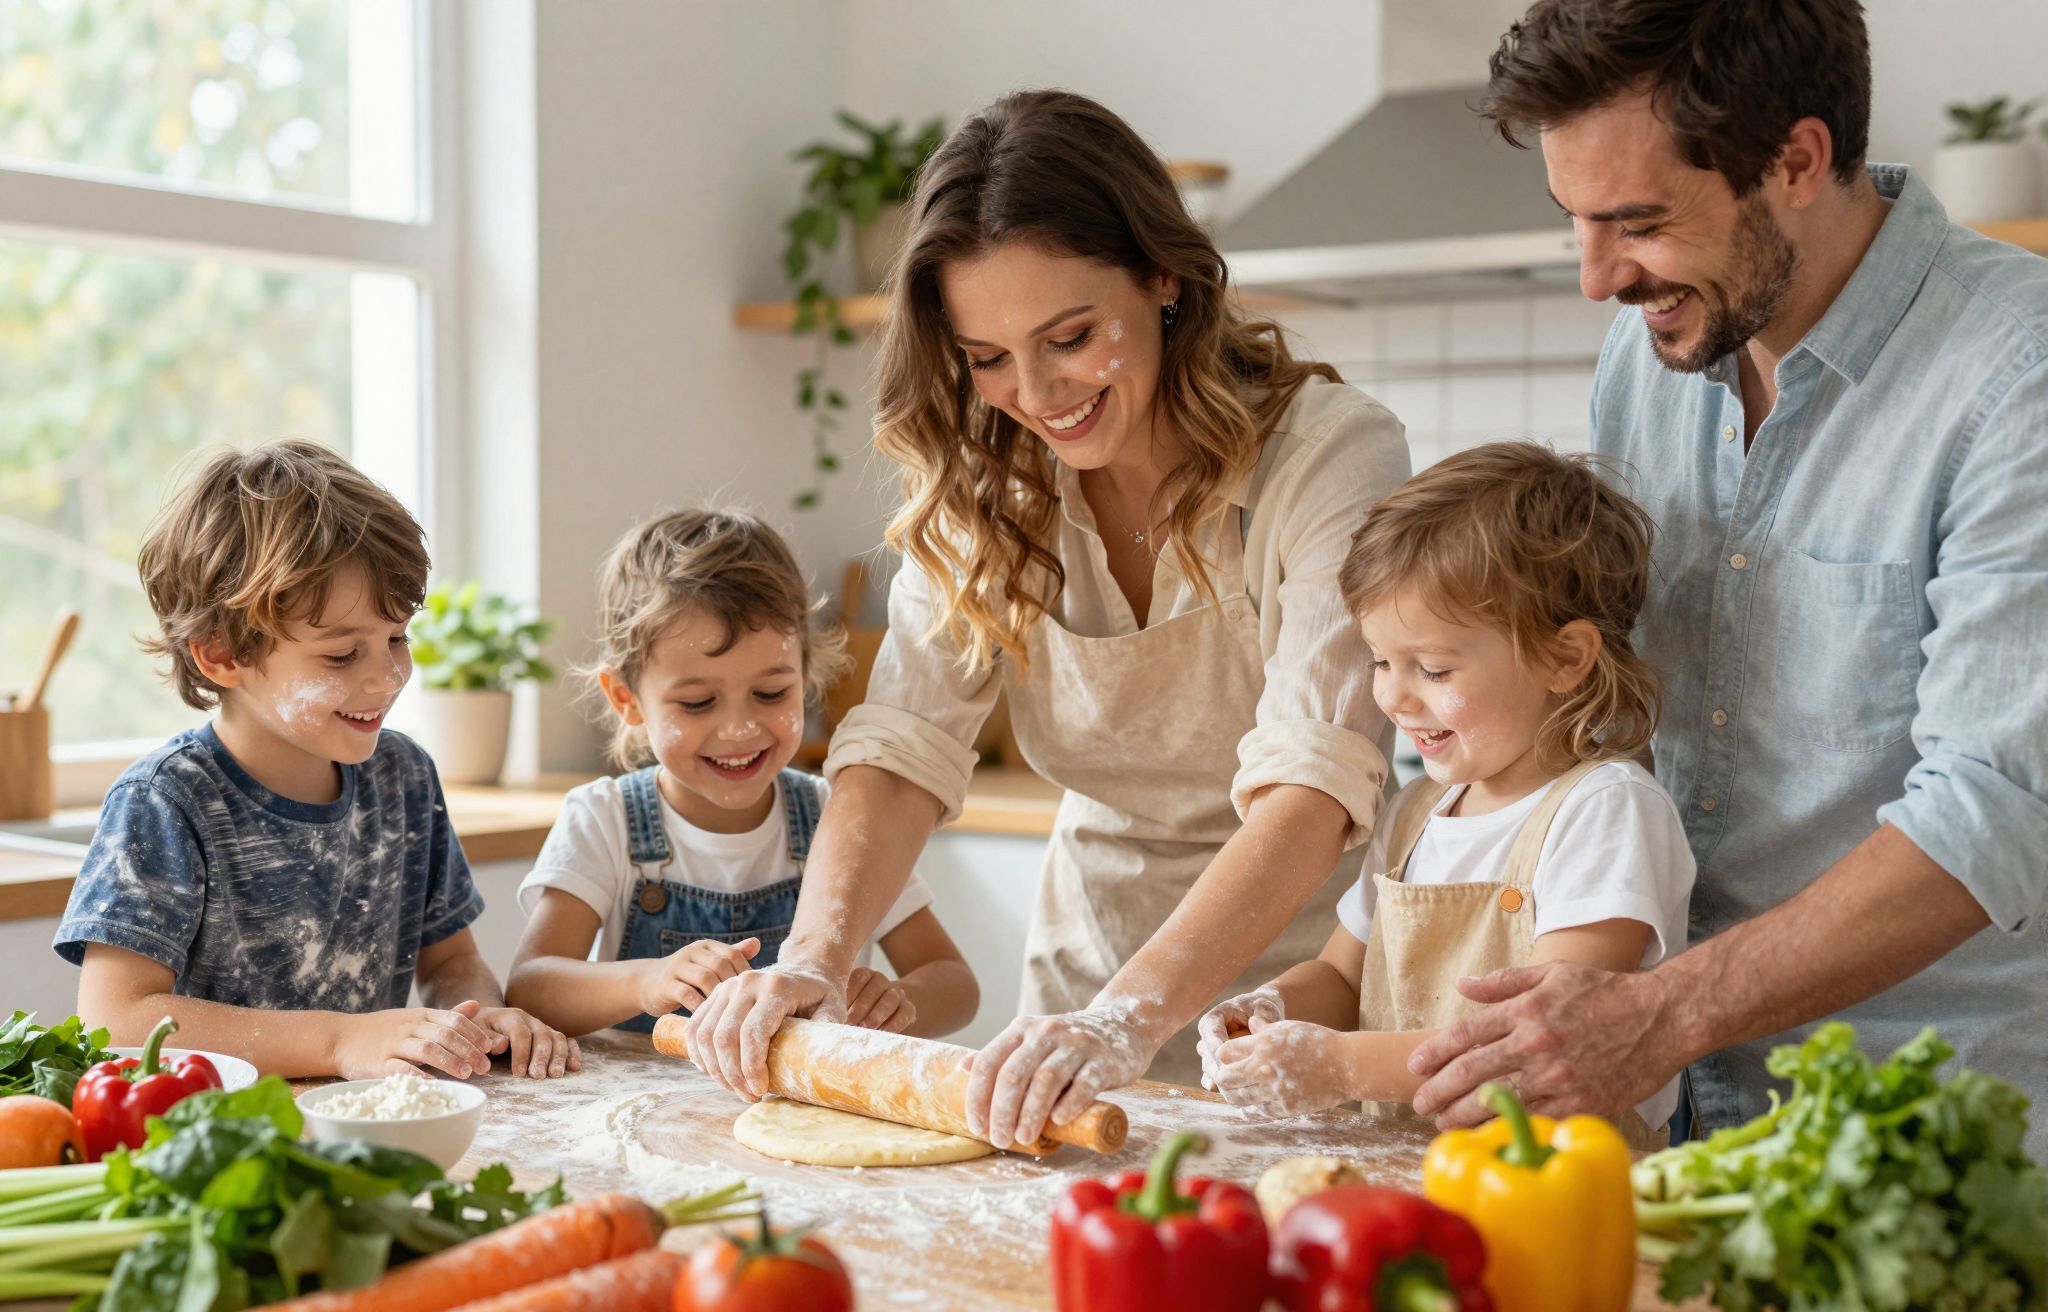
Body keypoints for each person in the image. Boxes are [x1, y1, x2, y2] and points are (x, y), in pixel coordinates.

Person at [685, 89, 1411, 1151]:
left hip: (1308, 1000)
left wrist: (1133, 1017)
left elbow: (1311, 784)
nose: (1033, 393)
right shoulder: (985, 483)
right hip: (1078, 986)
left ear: (1162, 275)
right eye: (986, 358)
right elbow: (898, 754)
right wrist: (813, 959)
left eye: (1069, 337)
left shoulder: (1326, 455)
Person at [1408, 0, 2048, 1162]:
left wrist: (1657, 1014)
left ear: (1796, 160)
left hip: (1921, 1140)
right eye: (1576, 224)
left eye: (1637, 222)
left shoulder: (2016, 375)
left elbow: (1993, 812)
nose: (1597, 278)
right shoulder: (1648, 356)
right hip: (1663, 1124)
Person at [1197, 443, 1690, 1147]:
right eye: (1380, 662)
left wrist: (1335, 1065)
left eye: (1431, 669)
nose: (1394, 697)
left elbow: (1535, 1043)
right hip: (1411, 1184)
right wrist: (1276, 1012)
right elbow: (1343, 975)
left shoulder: (1607, 812)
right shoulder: (1418, 815)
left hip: (1558, 1192)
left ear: (1565, 658)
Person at [57, 441, 580, 1080]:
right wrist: (337, 1042)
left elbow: (448, 964)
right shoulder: (167, 802)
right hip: (221, 1141)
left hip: (363, 1130)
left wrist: (478, 1014)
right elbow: (114, 1020)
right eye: (341, 656)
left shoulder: (404, 777)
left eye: (397, 638)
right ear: (221, 654)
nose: (388, 677)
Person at [506, 508, 976, 1039]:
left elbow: (956, 984)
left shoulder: (837, 818)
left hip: (800, 1118)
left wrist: (897, 1002)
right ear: (626, 698)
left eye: (771, 693)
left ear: (805, 674)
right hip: (646, 1113)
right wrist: (645, 981)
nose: (738, 728)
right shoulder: (605, 820)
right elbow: (530, 988)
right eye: (698, 701)